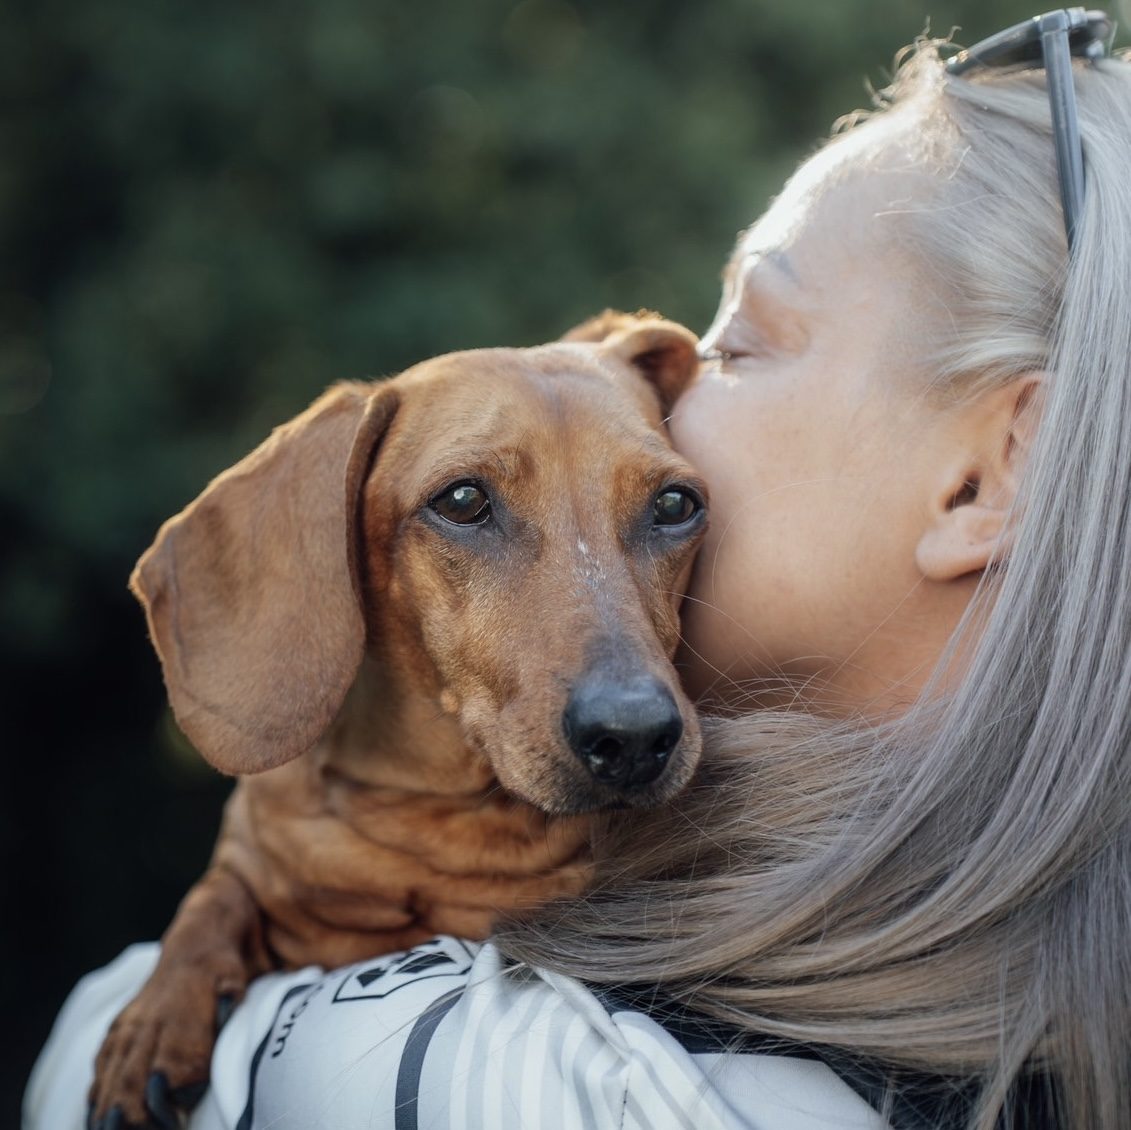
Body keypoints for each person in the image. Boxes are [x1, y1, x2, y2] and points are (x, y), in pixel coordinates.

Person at [25, 12, 1131, 1130]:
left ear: (989, 477)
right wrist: (210, 932)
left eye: (738, 347)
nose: (675, 396)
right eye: (470, 507)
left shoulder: (619, 1089)